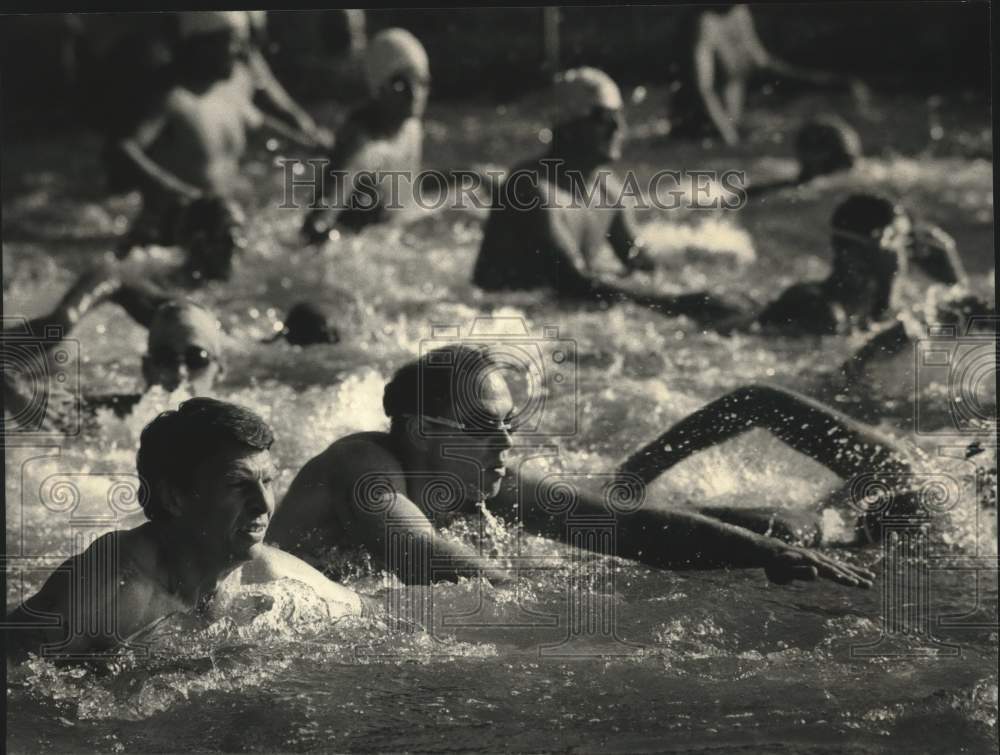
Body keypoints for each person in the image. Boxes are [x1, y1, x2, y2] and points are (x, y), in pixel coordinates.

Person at [268, 344, 881, 589]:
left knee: (758, 528)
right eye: (487, 427)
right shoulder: (362, 465)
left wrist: (760, 552)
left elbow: (625, 527)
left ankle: (824, 530)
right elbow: (420, 556)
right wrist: (541, 600)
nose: (506, 442)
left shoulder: (479, 481)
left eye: (512, 424)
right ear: (425, 432)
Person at [5, 398, 365, 661]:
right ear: (175, 498)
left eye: (268, 482)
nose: (264, 504)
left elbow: (372, 612)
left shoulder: (268, 576)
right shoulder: (111, 588)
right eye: (238, 485)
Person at [472, 67, 741, 325]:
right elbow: (570, 282)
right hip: (499, 315)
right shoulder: (530, 187)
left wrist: (700, 292)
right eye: (602, 117)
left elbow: (641, 264)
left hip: (556, 307)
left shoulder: (608, 189)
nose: (618, 128)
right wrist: (671, 304)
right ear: (567, 126)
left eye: (619, 116)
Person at [112, 11, 320, 278]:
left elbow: (257, 124)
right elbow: (124, 149)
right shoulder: (170, 98)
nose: (240, 51)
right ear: (200, 44)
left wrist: (309, 147)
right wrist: (176, 191)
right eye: (232, 42)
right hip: (168, 232)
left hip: (217, 228)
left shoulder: (234, 86)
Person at [721, 193, 967, 336]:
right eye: (902, 241)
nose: (908, 252)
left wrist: (955, 280)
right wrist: (889, 283)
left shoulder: (877, 305)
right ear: (877, 245)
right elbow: (869, 353)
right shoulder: (816, 308)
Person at [668, 4, 867, 145]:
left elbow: (761, 64)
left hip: (730, 127)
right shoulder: (700, 22)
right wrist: (728, 138)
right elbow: (701, 88)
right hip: (699, 135)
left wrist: (827, 83)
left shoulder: (739, 12)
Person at [302, 28, 430, 240]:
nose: (415, 94)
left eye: (421, 82)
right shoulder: (360, 144)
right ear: (378, 88)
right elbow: (316, 224)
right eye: (401, 84)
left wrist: (471, 177)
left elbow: (410, 190)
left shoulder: (411, 128)